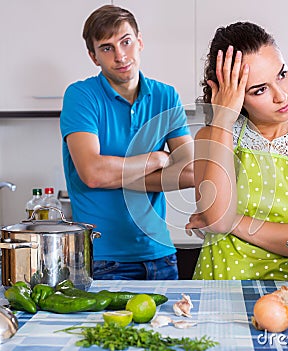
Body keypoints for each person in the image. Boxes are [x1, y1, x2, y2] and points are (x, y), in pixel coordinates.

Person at [185, 22, 288, 280]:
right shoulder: (211, 136)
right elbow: (216, 219)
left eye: (282, 74)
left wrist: (234, 222)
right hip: (219, 291)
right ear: (233, 96)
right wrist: (223, 119)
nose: (281, 95)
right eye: (260, 89)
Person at [60, 5, 194, 280]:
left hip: (161, 254)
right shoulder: (81, 96)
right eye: (107, 48)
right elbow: (93, 174)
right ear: (93, 56)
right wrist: (156, 160)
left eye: (126, 42)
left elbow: (190, 171)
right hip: (103, 259)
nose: (120, 55)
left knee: (168, 325)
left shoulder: (165, 96)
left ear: (139, 41)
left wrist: (117, 173)